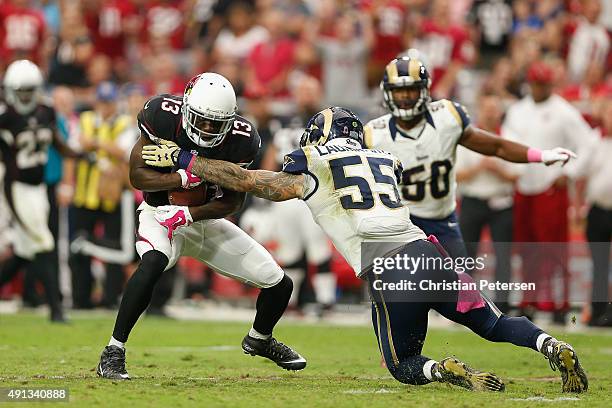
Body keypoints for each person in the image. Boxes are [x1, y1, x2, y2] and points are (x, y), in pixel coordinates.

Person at [142, 107, 588, 393]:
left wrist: (188, 161)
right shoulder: (384, 160)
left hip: (390, 268)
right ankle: (549, 344)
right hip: (429, 252)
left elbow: (254, 182)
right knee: (492, 322)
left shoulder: (313, 162)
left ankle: (445, 369)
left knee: (403, 363)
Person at [96, 72, 305, 381]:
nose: (207, 129)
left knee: (279, 283)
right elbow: (137, 176)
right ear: (187, 110)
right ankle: (113, 351)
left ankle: (260, 339)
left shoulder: (242, 139)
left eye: (215, 123)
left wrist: (190, 214)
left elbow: (233, 201)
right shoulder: (160, 116)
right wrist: (182, 178)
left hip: (205, 218)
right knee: (153, 262)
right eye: (202, 120)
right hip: (159, 214)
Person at [364, 56, 574, 260]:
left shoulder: (447, 118)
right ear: (388, 93)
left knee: (461, 288)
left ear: (424, 90)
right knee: (397, 288)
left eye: (411, 90)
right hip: (403, 224)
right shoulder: (374, 135)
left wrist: (541, 155)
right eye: (399, 91)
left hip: (442, 222)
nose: (405, 97)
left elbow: (497, 146)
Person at [502, 60, 597, 322]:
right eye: (535, 84)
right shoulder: (517, 110)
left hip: (550, 188)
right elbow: (507, 143)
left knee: (555, 250)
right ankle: (528, 301)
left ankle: (560, 303)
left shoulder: (563, 111)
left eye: (543, 84)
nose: (539, 89)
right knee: (526, 249)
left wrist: (569, 173)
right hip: (524, 186)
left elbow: (588, 143)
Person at [0, 60, 81, 322]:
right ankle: (56, 310)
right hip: (15, 188)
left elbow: (57, 141)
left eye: (29, 91)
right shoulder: (5, 118)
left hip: (39, 188)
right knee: (45, 243)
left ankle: (54, 308)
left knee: (26, 252)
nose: (25, 96)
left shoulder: (46, 111)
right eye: (21, 91)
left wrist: (78, 155)